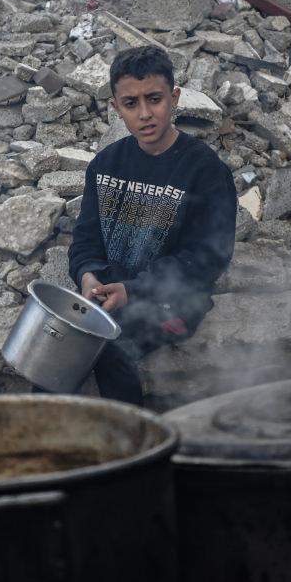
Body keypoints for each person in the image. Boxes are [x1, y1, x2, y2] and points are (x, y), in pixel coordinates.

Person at [67, 45, 237, 404]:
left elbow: (208, 258)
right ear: (116, 108)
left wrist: (135, 291)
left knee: (113, 349)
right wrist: (88, 277)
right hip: (112, 297)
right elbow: (85, 241)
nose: (145, 114)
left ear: (174, 98)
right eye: (131, 104)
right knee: (57, 344)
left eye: (154, 99)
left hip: (172, 304)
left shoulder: (204, 170)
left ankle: (134, 444)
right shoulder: (105, 166)